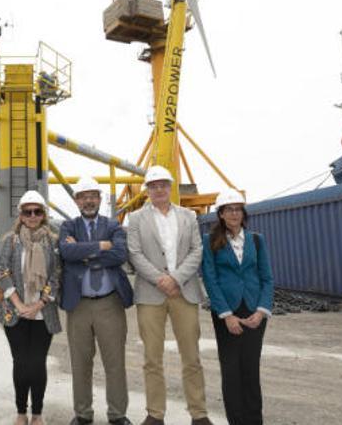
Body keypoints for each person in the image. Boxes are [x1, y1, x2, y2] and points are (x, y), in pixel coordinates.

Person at [127, 165, 213, 425]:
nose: (159, 189)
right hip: (150, 295)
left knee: (191, 357)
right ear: (148, 190)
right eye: (154, 185)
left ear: (170, 186)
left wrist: (175, 279)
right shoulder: (135, 219)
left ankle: (198, 414)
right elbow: (134, 253)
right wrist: (161, 280)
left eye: (163, 184)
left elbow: (197, 251)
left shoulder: (188, 216)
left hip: (184, 292)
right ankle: (155, 414)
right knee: (152, 358)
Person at [58, 177, 134, 425]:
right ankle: (83, 414)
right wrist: (101, 246)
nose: (88, 200)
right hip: (78, 304)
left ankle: (117, 415)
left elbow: (120, 254)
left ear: (100, 199)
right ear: (76, 200)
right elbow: (66, 252)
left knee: (114, 362)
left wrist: (84, 253)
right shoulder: (68, 227)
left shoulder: (113, 225)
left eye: (93, 195)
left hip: (109, 303)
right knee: (80, 363)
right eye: (83, 196)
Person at [200, 189, 273, 425]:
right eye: (229, 210)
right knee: (231, 370)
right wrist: (227, 316)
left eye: (238, 209)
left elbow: (267, 278)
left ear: (243, 213)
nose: (234, 213)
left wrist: (262, 311)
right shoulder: (209, 241)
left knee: (251, 369)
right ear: (220, 214)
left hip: (254, 310)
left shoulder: (256, 240)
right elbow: (210, 279)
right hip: (226, 312)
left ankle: (254, 421)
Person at [0, 190, 61, 425]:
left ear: (43, 214)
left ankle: (38, 414)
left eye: (37, 211)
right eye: (27, 211)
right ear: (20, 215)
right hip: (16, 311)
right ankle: (21, 412)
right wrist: (20, 304)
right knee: (21, 363)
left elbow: (56, 276)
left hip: (43, 312)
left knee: (37, 363)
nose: (32, 215)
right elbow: (2, 272)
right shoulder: (10, 240)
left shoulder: (53, 241)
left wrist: (39, 304)